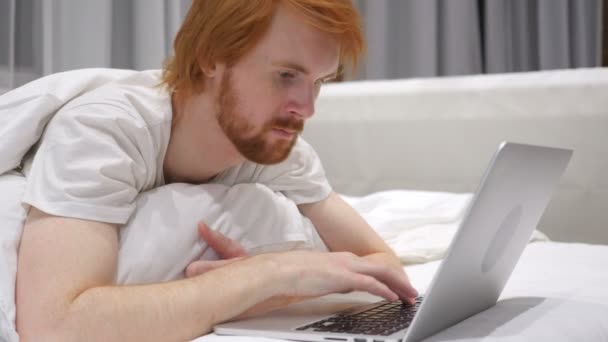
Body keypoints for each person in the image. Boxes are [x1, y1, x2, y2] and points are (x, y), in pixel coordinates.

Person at [14, 0, 418, 340]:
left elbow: (384, 267)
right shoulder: (106, 129)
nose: (307, 107)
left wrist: (272, 292)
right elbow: (53, 325)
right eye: (286, 76)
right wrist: (270, 272)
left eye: (319, 82)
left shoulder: (277, 151)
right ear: (211, 57)